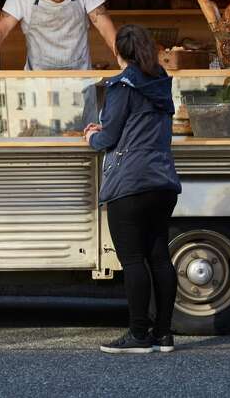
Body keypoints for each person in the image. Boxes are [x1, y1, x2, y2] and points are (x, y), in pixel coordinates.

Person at [85, 24, 182, 354]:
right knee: (159, 257)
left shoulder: (122, 86)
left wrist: (91, 136)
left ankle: (139, 335)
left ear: (118, 53)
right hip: (163, 182)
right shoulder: (161, 83)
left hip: (130, 182)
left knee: (132, 260)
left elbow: (108, 137)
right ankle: (165, 334)